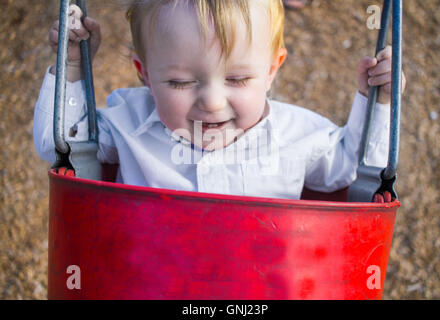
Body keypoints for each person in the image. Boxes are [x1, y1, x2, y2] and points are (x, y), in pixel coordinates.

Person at [34, 0, 405, 199]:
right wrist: (71, 70)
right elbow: (62, 148)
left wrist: (381, 103)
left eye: (238, 78)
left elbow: (352, 170)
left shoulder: (297, 136)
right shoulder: (128, 122)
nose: (212, 102)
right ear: (143, 73)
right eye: (180, 82)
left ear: (272, 70)